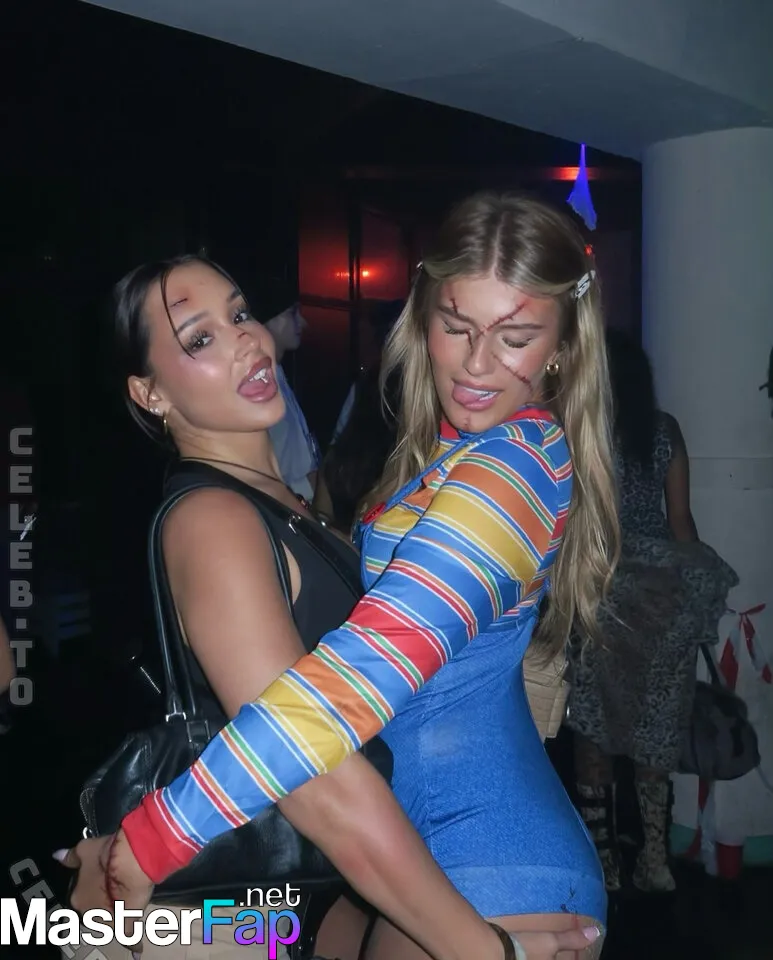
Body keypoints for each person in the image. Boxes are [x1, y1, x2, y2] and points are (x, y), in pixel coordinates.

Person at [63, 193, 621, 958]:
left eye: (516, 336)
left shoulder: (508, 466)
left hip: (484, 865)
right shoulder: (438, 459)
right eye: (455, 326)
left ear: (560, 346)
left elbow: (356, 684)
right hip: (430, 869)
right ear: (422, 317)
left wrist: (152, 839)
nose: (476, 362)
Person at [567, 328, 738, 893]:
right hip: (660, 593)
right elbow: (681, 523)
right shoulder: (664, 431)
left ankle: (605, 862)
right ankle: (656, 860)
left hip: (601, 591)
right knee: (656, 724)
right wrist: (696, 593)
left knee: (593, 726)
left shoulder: (580, 433)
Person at [265, 304, 320, 503]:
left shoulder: (280, 376)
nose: (303, 323)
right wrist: (309, 485)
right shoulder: (258, 390)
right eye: (291, 313)